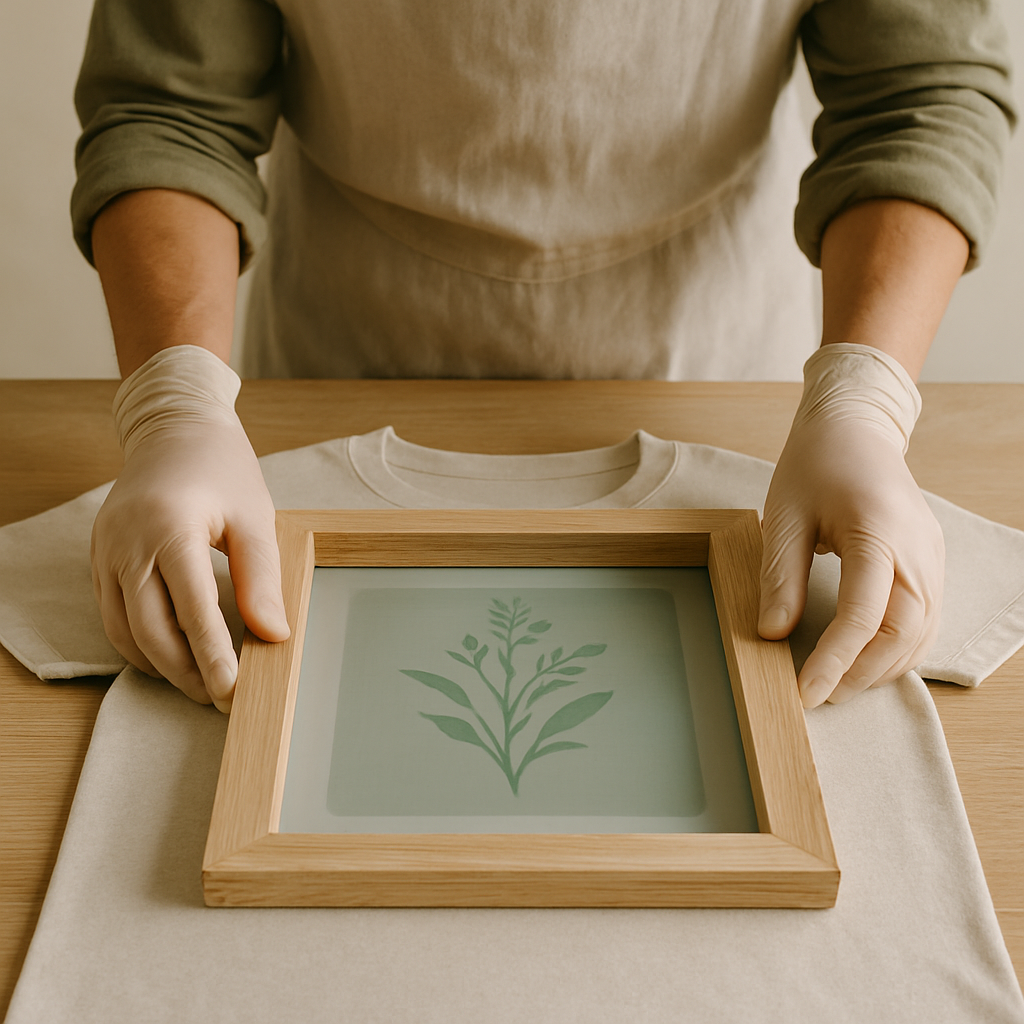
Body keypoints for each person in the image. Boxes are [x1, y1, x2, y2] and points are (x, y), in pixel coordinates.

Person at [71, 0, 1015, 712]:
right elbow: (169, 108)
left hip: (712, 364)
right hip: (345, 351)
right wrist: (176, 402)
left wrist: (866, 398)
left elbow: (916, 95)